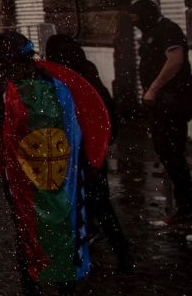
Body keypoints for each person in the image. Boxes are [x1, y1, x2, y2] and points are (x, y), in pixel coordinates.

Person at [0, 32, 110, 296]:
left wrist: (4, 165)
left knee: (26, 229)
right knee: (64, 223)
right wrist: (88, 161)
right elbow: (81, 122)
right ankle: (66, 291)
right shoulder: (57, 83)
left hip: (22, 176)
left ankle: (33, 292)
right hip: (63, 172)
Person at [44, 35, 133, 272]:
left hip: (77, 153)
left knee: (81, 203)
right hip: (89, 153)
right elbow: (106, 115)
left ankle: (80, 253)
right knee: (98, 203)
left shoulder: (64, 80)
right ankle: (118, 252)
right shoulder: (85, 75)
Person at [128, 0, 192, 222]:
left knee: (171, 152)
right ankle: (190, 203)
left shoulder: (168, 30)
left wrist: (153, 89)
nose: (135, 24)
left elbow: (174, 61)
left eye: (137, 19)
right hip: (160, 103)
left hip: (171, 102)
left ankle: (189, 206)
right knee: (167, 152)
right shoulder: (152, 31)